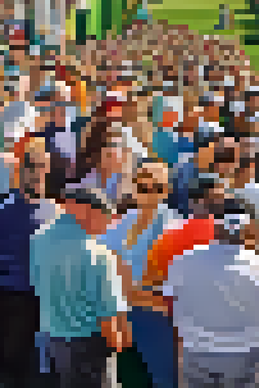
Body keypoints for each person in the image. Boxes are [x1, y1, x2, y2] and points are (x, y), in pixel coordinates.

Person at [163, 197, 259, 388]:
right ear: (247, 225)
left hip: (198, 354)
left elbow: (169, 303)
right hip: (250, 357)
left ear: (214, 224)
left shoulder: (183, 261)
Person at [30, 186, 131, 388]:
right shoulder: (99, 254)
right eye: (106, 216)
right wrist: (118, 343)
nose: (109, 224)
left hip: (55, 339)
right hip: (90, 345)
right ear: (87, 211)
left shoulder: (38, 240)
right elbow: (108, 314)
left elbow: (36, 284)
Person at [0, 139, 58, 388]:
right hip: (11, 301)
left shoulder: (56, 212)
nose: (36, 172)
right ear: (19, 170)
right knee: (13, 373)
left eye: (42, 166)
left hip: (49, 303)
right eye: (30, 165)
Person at [99, 160, 182, 388]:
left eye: (156, 188)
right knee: (130, 379)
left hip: (157, 318)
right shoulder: (124, 221)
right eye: (142, 187)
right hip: (123, 313)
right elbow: (101, 256)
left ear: (166, 191)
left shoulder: (174, 226)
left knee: (163, 380)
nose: (148, 194)